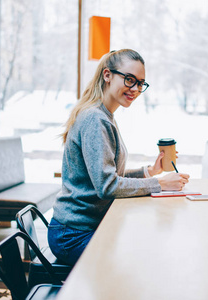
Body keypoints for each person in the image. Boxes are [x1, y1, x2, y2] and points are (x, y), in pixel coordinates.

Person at [48, 49, 190, 266]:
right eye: (129, 79)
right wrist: (158, 184)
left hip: (82, 228)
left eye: (140, 83)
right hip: (73, 235)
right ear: (107, 75)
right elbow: (106, 186)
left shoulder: (104, 115)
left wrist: (149, 172)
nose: (135, 89)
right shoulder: (96, 119)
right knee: (140, 260)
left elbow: (106, 175)